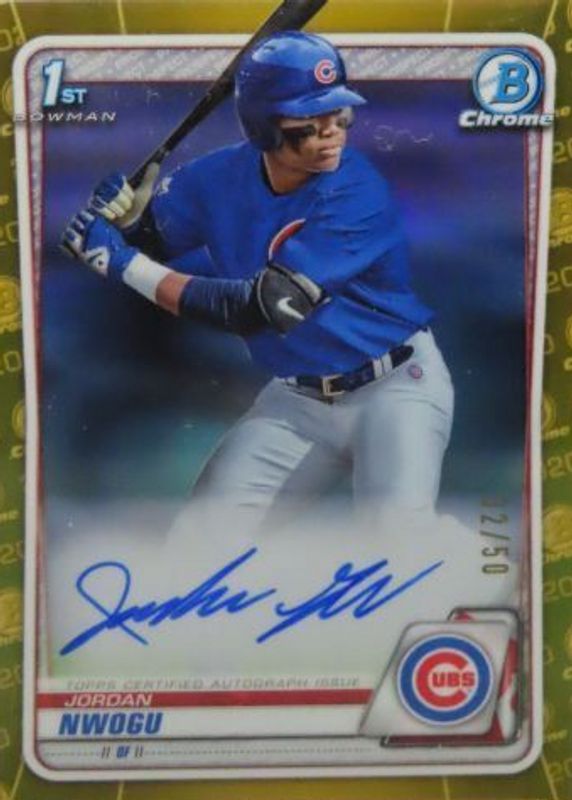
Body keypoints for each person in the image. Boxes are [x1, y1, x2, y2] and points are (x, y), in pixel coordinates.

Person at [63, 31, 454, 536]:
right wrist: (124, 223)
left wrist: (120, 260)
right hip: (299, 399)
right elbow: (141, 249)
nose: (331, 132)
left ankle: (489, 561)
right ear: (264, 128)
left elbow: (258, 308)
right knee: (198, 538)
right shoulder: (212, 179)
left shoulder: (357, 193)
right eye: (309, 121)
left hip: (395, 386)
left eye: (339, 115)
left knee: (398, 536)